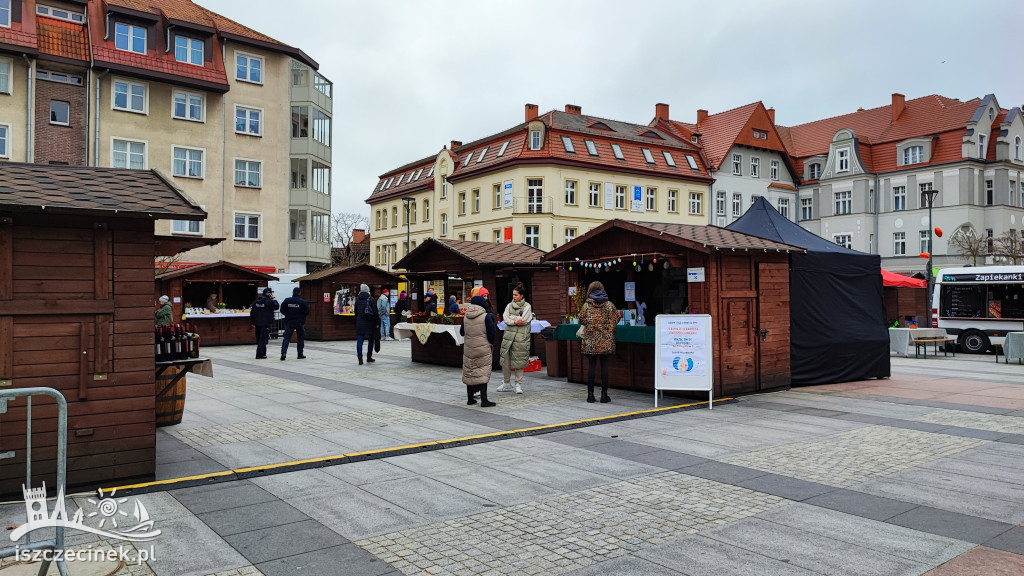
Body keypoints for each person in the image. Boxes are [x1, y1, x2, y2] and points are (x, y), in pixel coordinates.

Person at [579, 280, 617, 403]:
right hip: (606, 340)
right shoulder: (609, 305)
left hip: (590, 340)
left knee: (591, 366)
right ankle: (604, 395)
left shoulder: (586, 306)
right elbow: (615, 320)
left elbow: (581, 320)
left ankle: (590, 395)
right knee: (604, 366)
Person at [497, 282, 534, 394]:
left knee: (519, 361)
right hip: (508, 336)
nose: (514, 297)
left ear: (521, 295)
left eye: (516, 295)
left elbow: (524, 320)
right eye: (513, 295)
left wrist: (511, 319)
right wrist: (515, 320)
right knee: (506, 361)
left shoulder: (527, 306)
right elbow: (505, 318)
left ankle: (518, 384)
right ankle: (506, 383)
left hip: (521, 338)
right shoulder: (509, 305)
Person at [460, 294, 496, 407]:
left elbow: (462, 332)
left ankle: (470, 399)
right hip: (482, 348)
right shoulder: (486, 316)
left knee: (470, 371)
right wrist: (489, 343)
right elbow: (492, 335)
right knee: (482, 371)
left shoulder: (465, 316)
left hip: (469, 349)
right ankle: (484, 400)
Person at [279, 286, 310, 361]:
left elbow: (282, 310)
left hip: (289, 322)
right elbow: (307, 312)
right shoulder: (302, 302)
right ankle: (300, 354)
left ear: (293, 292)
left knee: (286, 338)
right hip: (299, 322)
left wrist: (288, 314)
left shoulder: (287, 300)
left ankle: (283, 353)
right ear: (299, 293)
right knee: (300, 338)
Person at [249, 288, 279, 359]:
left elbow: (252, 312)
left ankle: (263, 353)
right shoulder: (269, 301)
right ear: (269, 294)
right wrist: (274, 299)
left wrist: (252, 322)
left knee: (259, 338)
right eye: (271, 293)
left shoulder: (256, 302)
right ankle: (259, 354)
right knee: (263, 339)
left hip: (257, 323)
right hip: (265, 323)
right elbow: (276, 306)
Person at [355, 284, 379, 365]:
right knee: (371, 339)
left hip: (360, 322)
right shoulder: (371, 299)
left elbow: (356, 312)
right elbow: (375, 312)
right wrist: (377, 322)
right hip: (370, 322)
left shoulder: (358, 300)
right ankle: (369, 357)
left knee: (360, 339)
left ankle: (360, 359)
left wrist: (357, 320)